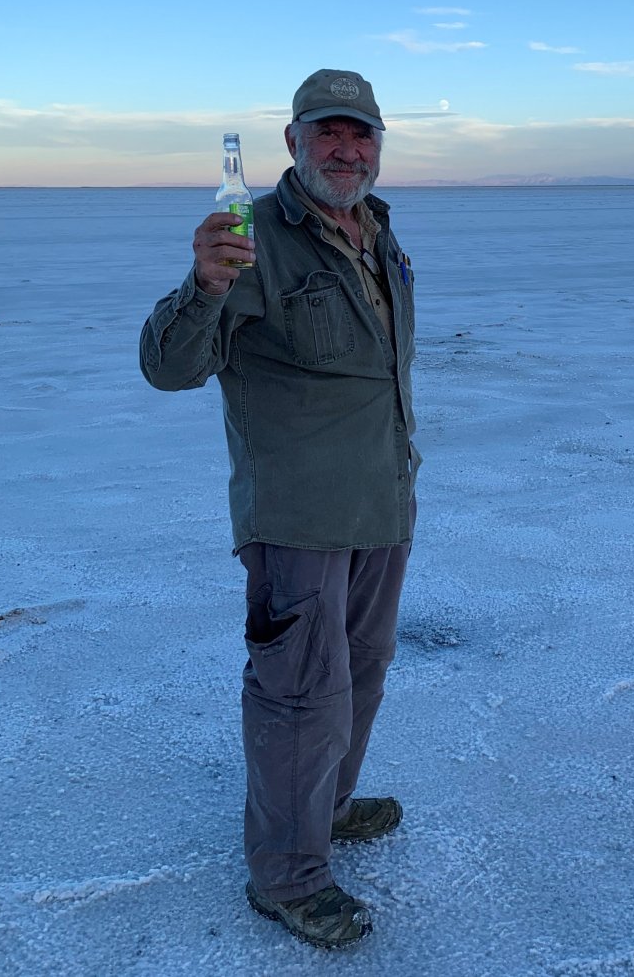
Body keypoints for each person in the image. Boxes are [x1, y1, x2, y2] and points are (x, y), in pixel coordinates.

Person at [139, 69, 419, 950]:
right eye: (327, 131)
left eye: (361, 133)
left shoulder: (376, 231)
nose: (346, 149)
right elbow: (169, 367)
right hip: (298, 517)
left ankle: (325, 806)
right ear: (292, 142)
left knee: (362, 671)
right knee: (300, 694)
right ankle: (287, 876)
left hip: (380, 501)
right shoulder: (251, 238)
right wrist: (204, 286)